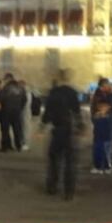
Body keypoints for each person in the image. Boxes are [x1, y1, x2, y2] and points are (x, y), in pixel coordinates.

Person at [42, 69, 84, 200]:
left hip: (57, 129)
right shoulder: (72, 92)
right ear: (68, 78)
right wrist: (80, 127)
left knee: (54, 159)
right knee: (70, 162)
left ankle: (52, 186)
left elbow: (48, 112)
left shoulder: (53, 92)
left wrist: (42, 126)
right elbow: (77, 112)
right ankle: (69, 191)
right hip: (69, 130)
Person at [91, 99, 112, 174]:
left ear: (108, 107)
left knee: (106, 154)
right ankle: (97, 167)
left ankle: (107, 167)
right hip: (97, 137)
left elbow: (110, 125)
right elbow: (94, 122)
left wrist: (103, 116)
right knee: (97, 152)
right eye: (100, 106)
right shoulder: (96, 115)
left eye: (104, 106)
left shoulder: (109, 116)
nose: (102, 108)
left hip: (106, 138)